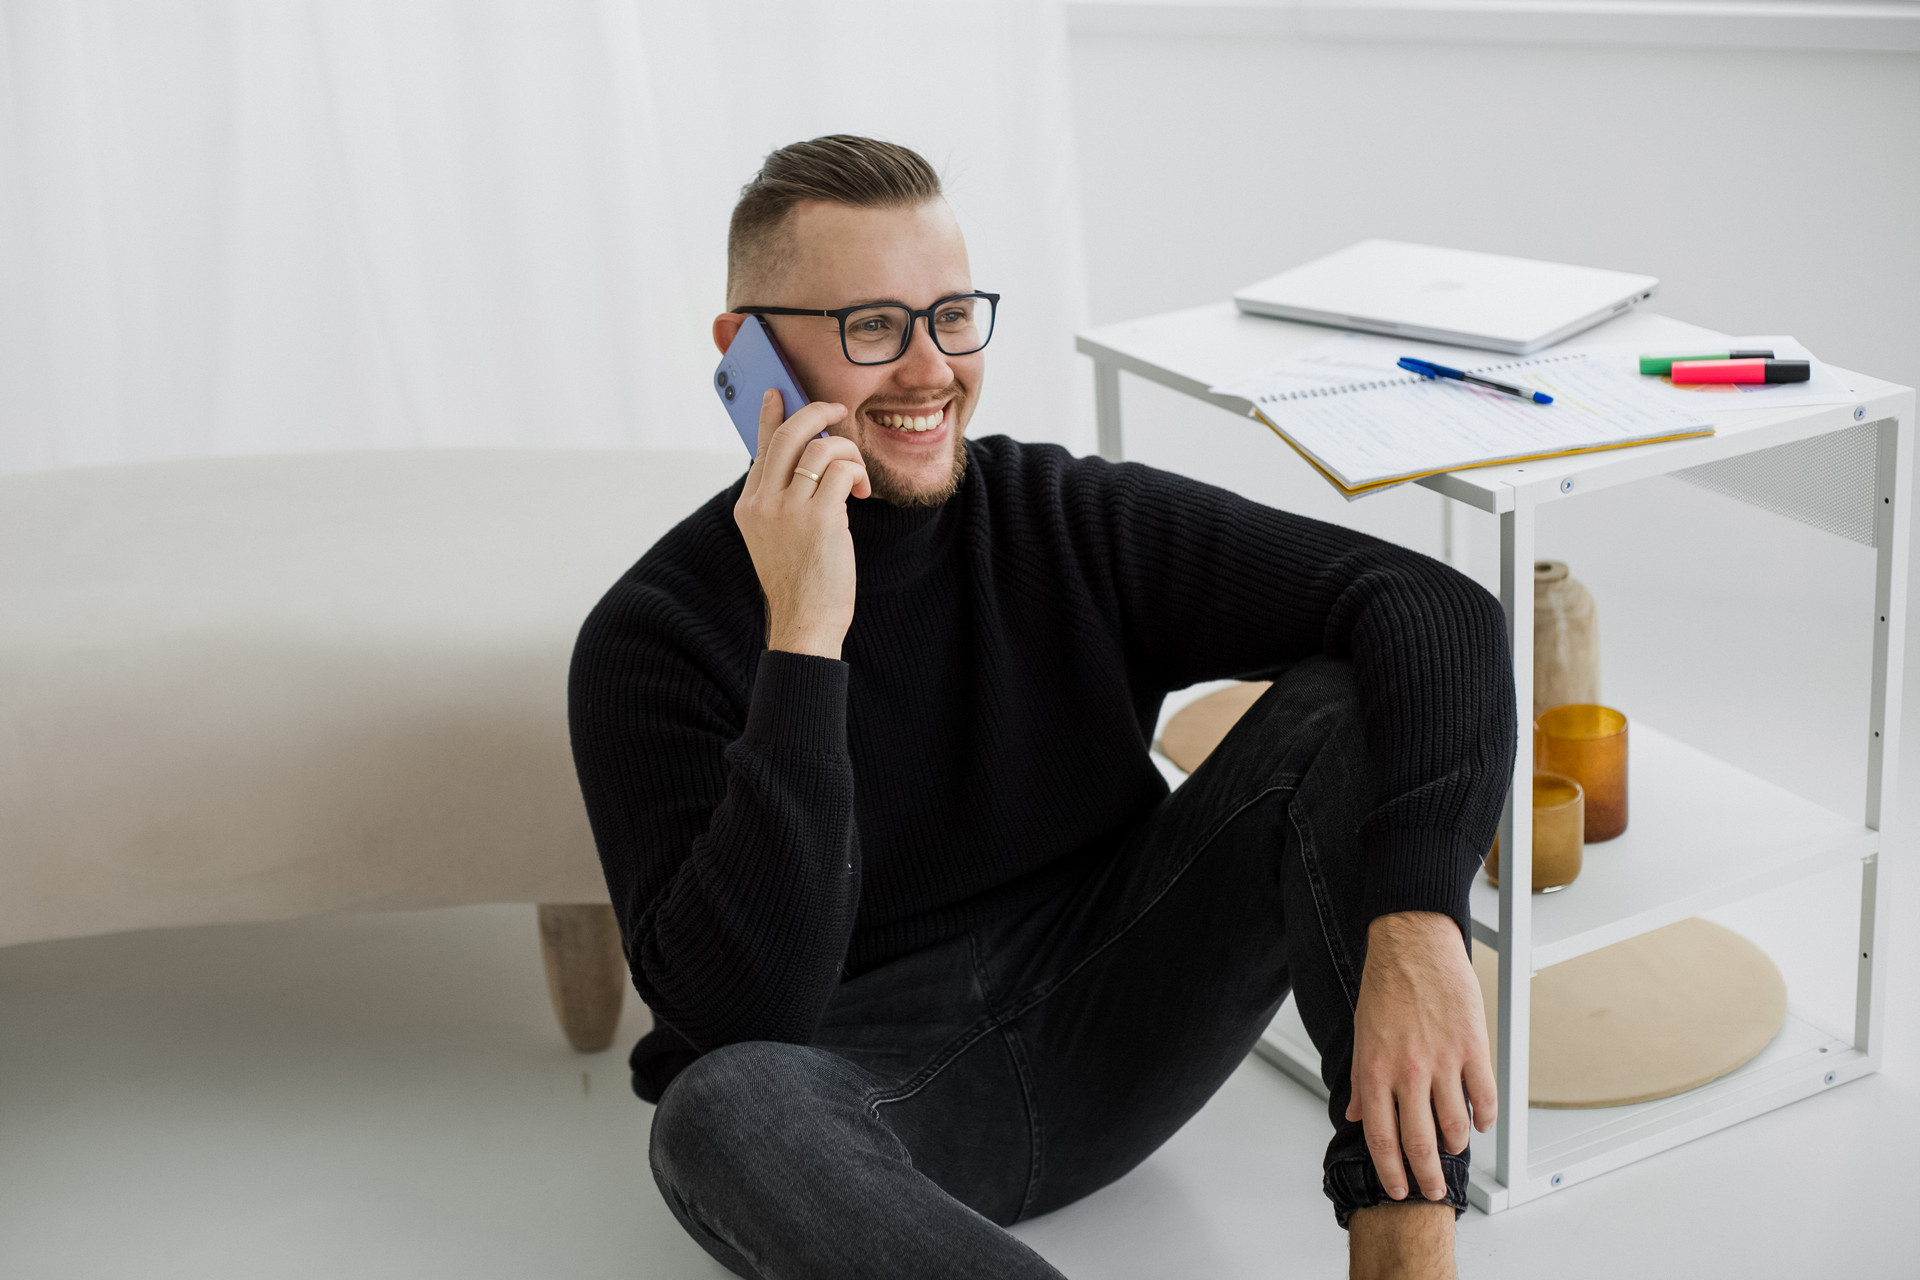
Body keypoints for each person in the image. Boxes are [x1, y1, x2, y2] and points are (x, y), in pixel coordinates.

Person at [567, 135, 1515, 1280]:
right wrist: (804, 638)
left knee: (1334, 704)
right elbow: (743, 1011)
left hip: (1118, 1012)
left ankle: (1406, 1257)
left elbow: (1432, 607)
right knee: (720, 1108)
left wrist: (1415, 916)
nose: (930, 371)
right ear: (747, 353)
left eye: (954, 314)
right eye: (874, 325)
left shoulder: (1058, 515)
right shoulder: (649, 638)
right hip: (873, 1111)